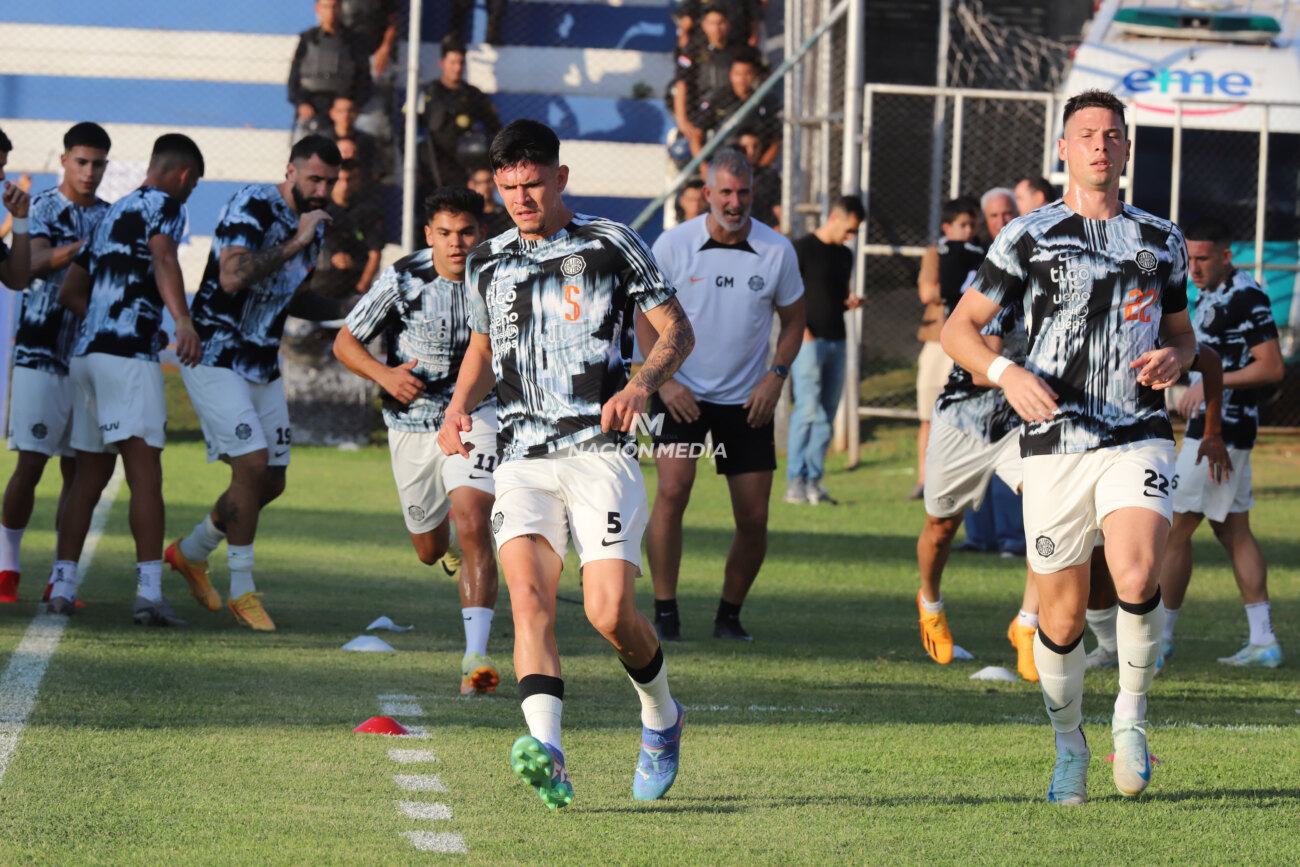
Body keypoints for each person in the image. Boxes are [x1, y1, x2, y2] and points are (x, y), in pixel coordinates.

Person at [943, 90, 1197, 806]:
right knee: (1058, 616)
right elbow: (960, 329)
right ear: (1063, 148)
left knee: (1138, 569)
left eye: (1112, 135)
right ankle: (1068, 746)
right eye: (1085, 134)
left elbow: (1183, 335)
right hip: (1053, 444)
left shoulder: (1161, 238)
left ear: (1126, 149)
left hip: (1137, 433)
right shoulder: (1027, 235)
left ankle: (1131, 716)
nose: (1099, 146)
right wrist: (1005, 371)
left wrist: (1178, 359)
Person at [438, 119, 695, 808]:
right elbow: (483, 347)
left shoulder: (612, 244)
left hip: (598, 451)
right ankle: (549, 752)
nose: (523, 198)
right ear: (497, 185)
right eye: (510, 186)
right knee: (528, 597)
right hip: (520, 456)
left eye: (534, 184)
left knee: (610, 612)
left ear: (561, 178)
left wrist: (641, 384)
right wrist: (457, 405)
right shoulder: (486, 260)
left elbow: (678, 329)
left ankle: (662, 718)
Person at [166, 135, 355, 632]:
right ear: (290, 170)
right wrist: (296, 237)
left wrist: (348, 308)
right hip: (214, 353)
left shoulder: (315, 226)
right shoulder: (252, 203)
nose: (322, 190)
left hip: (260, 362)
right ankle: (242, 591)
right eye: (314, 178)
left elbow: (292, 295)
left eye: (330, 182)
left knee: (271, 480)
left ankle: (191, 552)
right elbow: (232, 278)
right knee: (250, 465)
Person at [334, 187, 502, 694]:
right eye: (446, 234)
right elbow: (345, 342)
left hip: (476, 415)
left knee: (473, 519)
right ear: (429, 235)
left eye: (467, 232)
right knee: (430, 550)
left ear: (481, 232)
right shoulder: (403, 277)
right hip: (411, 425)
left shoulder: (498, 277)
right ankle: (445, 546)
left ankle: (475, 656)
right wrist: (385, 377)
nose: (457, 244)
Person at [642, 148, 804, 641]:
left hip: (747, 399)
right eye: (725, 192)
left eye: (743, 193)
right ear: (707, 194)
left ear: (754, 194)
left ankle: (728, 616)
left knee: (754, 517)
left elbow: (795, 321)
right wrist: (664, 381)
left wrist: (776, 376)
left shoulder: (778, 250)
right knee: (672, 490)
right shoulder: (673, 245)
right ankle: (665, 612)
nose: (734, 202)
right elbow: (642, 322)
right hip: (680, 395)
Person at [47, 134, 206, 625]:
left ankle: (61, 586)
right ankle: (150, 596)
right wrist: (181, 321)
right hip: (125, 362)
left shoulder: (111, 213)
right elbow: (164, 257)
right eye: (193, 185)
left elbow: (72, 291)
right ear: (183, 176)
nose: (190, 193)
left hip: (88, 355)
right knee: (145, 478)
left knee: (89, 477)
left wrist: (121, 315)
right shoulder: (164, 203)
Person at [1157, 217, 1285, 668]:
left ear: (1227, 256)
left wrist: (1215, 383)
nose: (1193, 267)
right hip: (1216, 427)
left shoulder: (1246, 294)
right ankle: (1263, 640)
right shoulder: (1209, 293)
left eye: (1203, 258)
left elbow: (1271, 367)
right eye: (1189, 257)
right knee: (1233, 531)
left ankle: (1160, 640)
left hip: (1222, 431)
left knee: (1172, 528)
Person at [0, 123, 109, 604]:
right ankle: (7, 565)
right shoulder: (40, 207)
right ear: (64, 160)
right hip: (40, 353)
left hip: (87, 360)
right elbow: (33, 265)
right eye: (81, 161)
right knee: (30, 464)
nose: (89, 172)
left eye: (98, 163)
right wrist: (85, 251)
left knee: (78, 471)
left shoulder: (110, 215)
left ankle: (60, 576)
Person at [915, 301, 1037, 676]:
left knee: (1050, 517)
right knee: (941, 529)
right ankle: (930, 606)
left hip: (1023, 423)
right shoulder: (1000, 287)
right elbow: (981, 369)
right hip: (962, 425)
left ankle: (1027, 625)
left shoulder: (1070, 285)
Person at [785, 195, 863, 505]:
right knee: (807, 410)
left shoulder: (845, 254)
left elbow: (839, 293)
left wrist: (851, 301)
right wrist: (801, 332)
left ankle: (813, 481)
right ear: (835, 217)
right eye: (849, 229)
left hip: (837, 339)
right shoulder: (801, 248)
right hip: (808, 341)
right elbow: (787, 295)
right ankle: (795, 482)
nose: (851, 236)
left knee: (827, 414)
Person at [912, 197, 982, 501]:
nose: (968, 231)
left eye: (973, 225)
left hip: (971, 340)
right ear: (947, 227)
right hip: (938, 339)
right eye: (962, 225)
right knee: (929, 412)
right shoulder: (936, 253)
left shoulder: (982, 253)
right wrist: (958, 290)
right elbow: (927, 292)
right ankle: (923, 480)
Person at [422, 37, 502, 190]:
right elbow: (407, 132)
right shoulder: (428, 93)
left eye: (461, 63)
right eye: (452, 63)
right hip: (432, 169)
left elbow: (495, 130)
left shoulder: (474, 95)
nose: (457, 68)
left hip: (465, 169)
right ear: (442, 63)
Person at [288, 0, 372, 133]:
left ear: (340, 8)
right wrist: (301, 103)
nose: (330, 12)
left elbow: (364, 80)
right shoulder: (307, 39)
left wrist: (351, 105)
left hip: (345, 106)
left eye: (334, 7)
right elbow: (293, 80)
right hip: (312, 105)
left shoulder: (355, 41)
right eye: (326, 7)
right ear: (317, 9)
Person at [690, 48, 780, 165]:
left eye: (747, 74)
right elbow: (696, 135)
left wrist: (759, 169)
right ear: (731, 75)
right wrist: (704, 167)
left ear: (755, 74)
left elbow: (775, 142)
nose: (742, 79)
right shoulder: (718, 100)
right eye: (738, 74)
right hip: (721, 164)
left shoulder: (765, 102)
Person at [669, 7, 734, 163]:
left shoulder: (738, 51)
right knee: (682, 151)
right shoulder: (693, 50)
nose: (717, 28)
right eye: (712, 23)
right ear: (704, 25)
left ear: (729, 24)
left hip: (729, 114)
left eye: (721, 23)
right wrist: (683, 122)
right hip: (699, 115)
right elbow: (681, 85)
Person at [315, 157, 385, 296]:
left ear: (358, 181)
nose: (345, 186)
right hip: (317, 283)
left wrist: (360, 289)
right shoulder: (317, 209)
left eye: (350, 180)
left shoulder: (368, 211)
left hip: (352, 284)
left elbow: (374, 254)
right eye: (340, 180)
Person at [737, 129, 780, 228]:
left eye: (755, 146)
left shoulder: (770, 176)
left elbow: (778, 210)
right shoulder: (726, 176)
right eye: (745, 147)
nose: (751, 152)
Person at [466, 167, 513, 239]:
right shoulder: (468, 216)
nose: (485, 186)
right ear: (471, 185)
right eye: (479, 183)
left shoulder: (507, 213)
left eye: (488, 181)